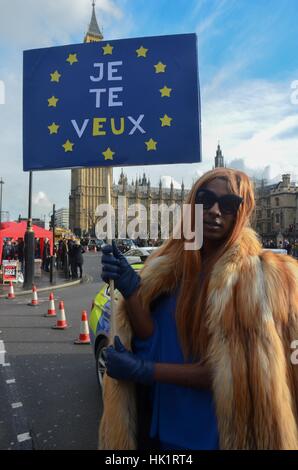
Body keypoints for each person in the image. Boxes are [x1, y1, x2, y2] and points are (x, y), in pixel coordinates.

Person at [99, 167, 298, 450]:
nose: (215, 211)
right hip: (162, 427)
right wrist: (131, 291)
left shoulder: (259, 280)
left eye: (229, 204)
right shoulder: (170, 269)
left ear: (242, 212)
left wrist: (145, 370)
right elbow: (154, 339)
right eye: (205, 200)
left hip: (214, 433)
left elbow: (229, 371)